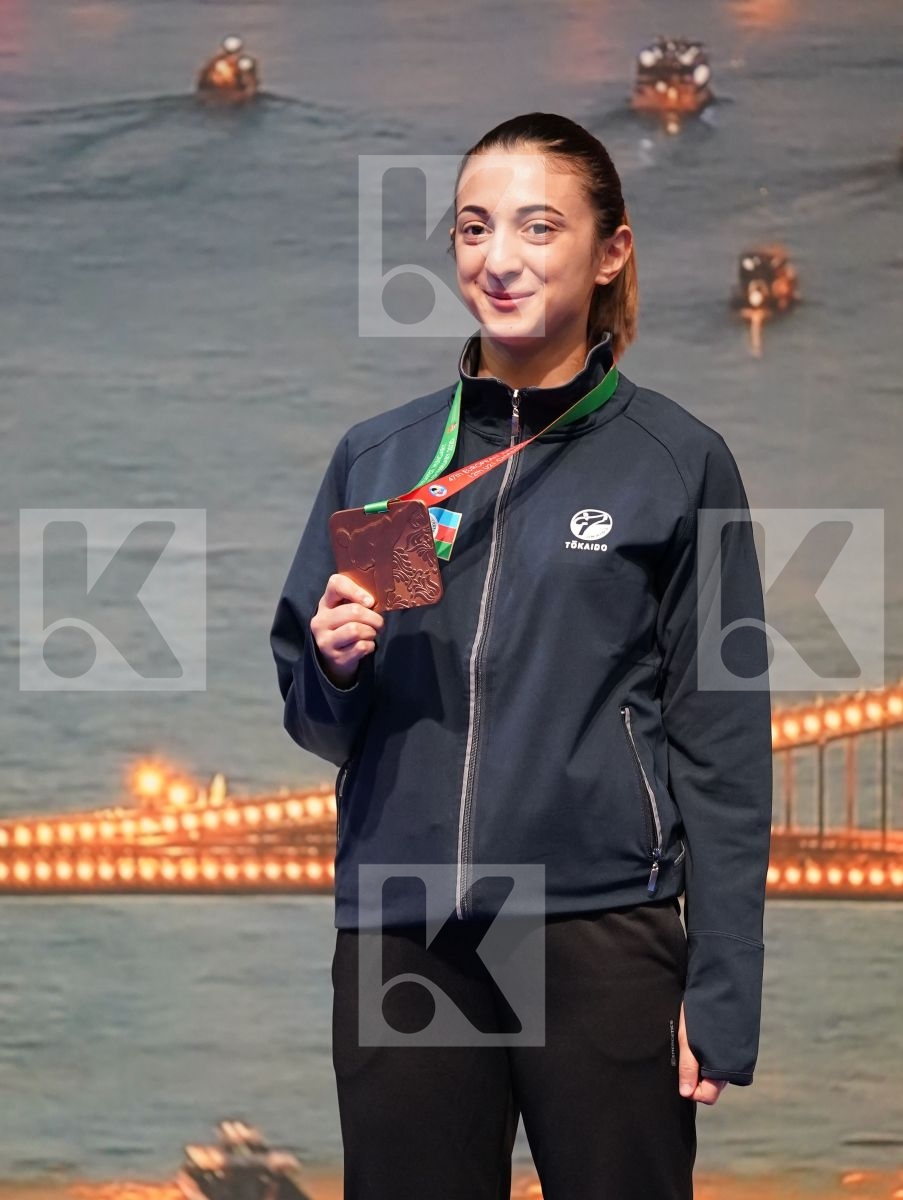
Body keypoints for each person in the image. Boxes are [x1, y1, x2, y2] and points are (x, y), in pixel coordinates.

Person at [269, 111, 773, 1200]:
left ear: (611, 251)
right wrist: (337, 665)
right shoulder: (393, 460)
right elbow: (321, 725)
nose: (499, 259)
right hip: (406, 932)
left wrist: (724, 985)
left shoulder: (677, 465)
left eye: (539, 227)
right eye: (474, 228)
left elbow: (724, 745)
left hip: (599, 932)